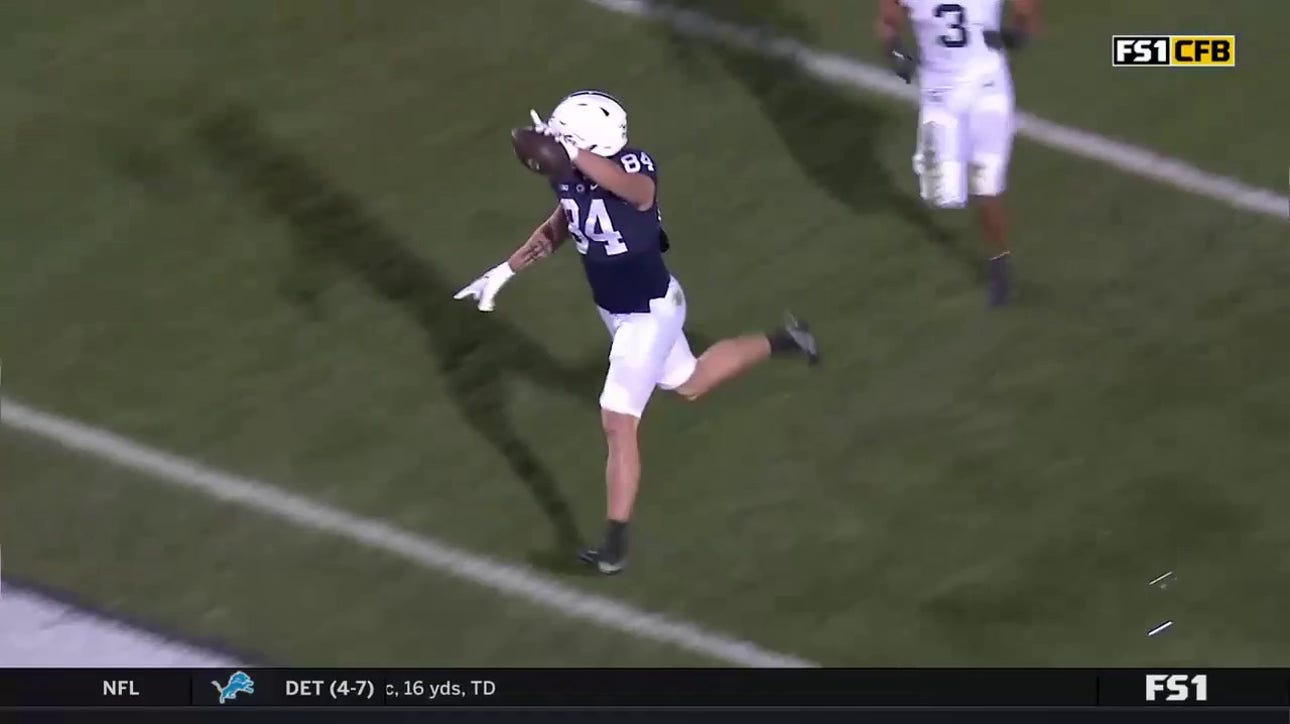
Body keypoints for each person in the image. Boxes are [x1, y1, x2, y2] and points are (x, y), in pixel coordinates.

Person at [454, 90, 819, 574]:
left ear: (586, 143)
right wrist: (505, 269)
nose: (552, 139)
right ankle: (788, 340)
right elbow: (563, 222)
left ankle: (615, 545)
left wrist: (574, 153)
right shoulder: (571, 174)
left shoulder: (632, 167)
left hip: (649, 313)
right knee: (690, 381)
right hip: (619, 311)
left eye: (564, 135)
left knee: (617, 420)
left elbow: (637, 192)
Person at [877, 0, 1042, 306]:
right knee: (941, 190)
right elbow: (888, 20)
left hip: (987, 87)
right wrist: (895, 50)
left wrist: (1022, 28)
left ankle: (999, 263)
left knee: (985, 184)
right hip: (940, 93)